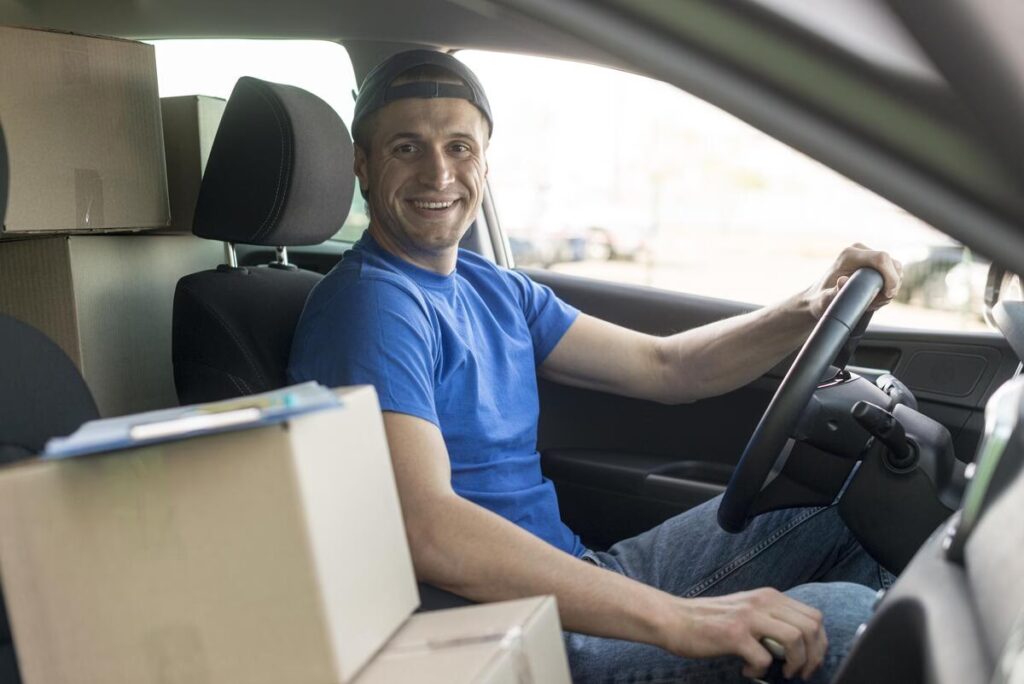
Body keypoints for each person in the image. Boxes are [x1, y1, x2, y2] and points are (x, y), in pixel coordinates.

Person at [288, 50, 903, 683]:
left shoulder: (489, 286)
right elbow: (428, 528)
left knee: (851, 505)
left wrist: (808, 307)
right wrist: (682, 620)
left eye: (459, 147)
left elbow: (666, 366)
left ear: (485, 162)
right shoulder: (372, 306)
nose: (439, 172)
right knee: (847, 625)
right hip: (505, 635)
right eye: (406, 148)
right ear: (363, 165)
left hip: (572, 580)